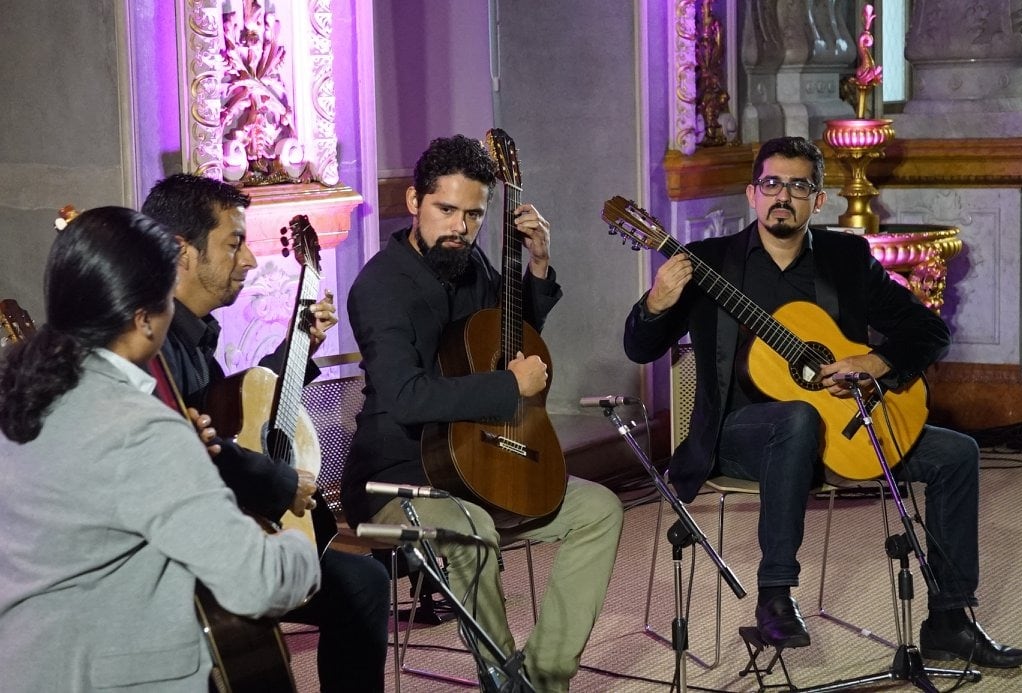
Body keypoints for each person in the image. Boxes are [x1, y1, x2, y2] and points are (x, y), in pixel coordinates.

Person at [624, 136, 1022, 668]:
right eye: (771, 183)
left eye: (799, 186)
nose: (783, 196)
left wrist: (875, 364)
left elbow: (928, 331)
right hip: (737, 437)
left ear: (818, 200)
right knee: (795, 416)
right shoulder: (706, 264)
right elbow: (639, 347)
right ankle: (776, 595)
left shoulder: (845, 258)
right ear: (752, 193)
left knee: (957, 455)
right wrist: (656, 304)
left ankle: (950, 622)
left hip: (840, 428)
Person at [342, 134, 624, 692]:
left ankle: (544, 674)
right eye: (446, 210)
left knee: (600, 508)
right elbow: (407, 396)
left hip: (477, 464)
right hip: (394, 480)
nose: (460, 228)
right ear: (413, 202)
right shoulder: (380, 287)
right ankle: (499, 675)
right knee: (473, 533)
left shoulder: (471, 268)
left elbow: (509, 337)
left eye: (473, 215)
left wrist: (539, 265)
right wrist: (505, 387)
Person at [0, 207, 320, 690]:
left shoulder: (21, 392)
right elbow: (257, 581)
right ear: (146, 319)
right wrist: (300, 547)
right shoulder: (141, 427)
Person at [141, 174, 390, 692]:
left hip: (238, 525)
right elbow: (202, 453)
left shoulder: (194, 338)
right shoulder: (157, 347)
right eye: (234, 244)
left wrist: (298, 348)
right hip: (192, 552)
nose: (250, 261)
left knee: (364, 582)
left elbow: (237, 409)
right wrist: (282, 483)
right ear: (180, 252)